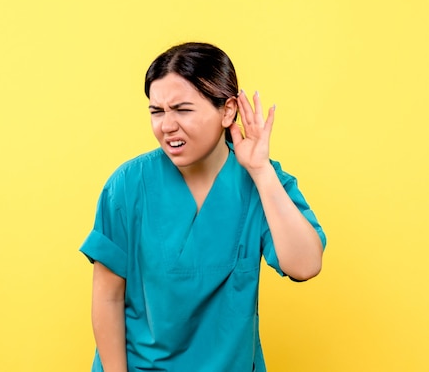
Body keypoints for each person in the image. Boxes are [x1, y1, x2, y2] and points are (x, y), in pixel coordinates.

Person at [79, 42, 326, 372]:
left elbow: (305, 265)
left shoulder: (261, 183)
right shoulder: (127, 186)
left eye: (182, 109)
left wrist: (261, 171)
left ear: (227, 111)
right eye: (157, 112)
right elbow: (108, 298)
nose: (167, 126)